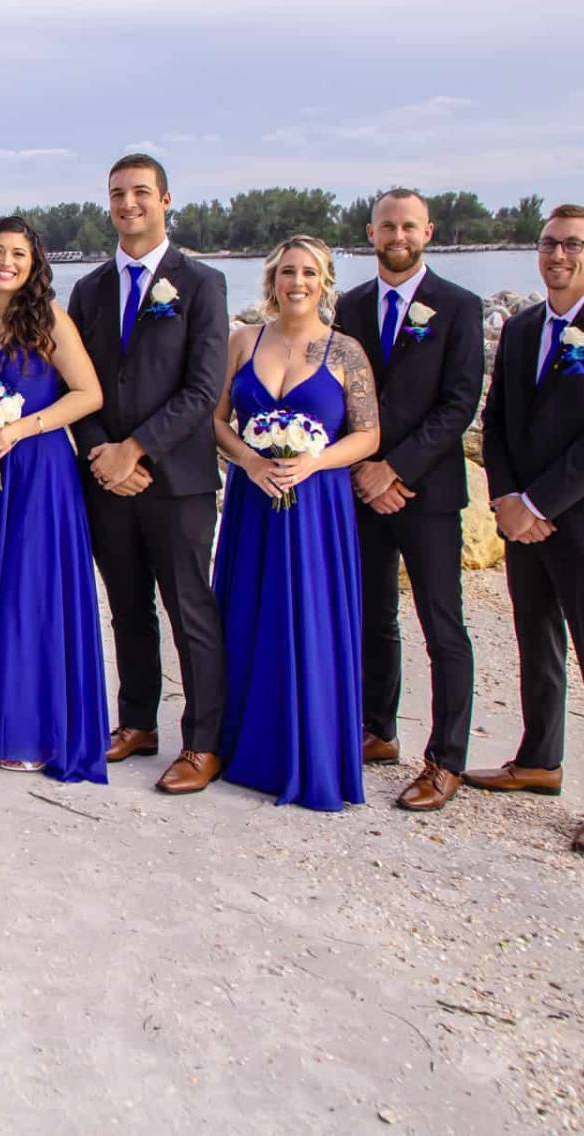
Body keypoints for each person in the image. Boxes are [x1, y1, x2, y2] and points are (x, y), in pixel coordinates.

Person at [469, 205, 584, 855]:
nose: (558, 255)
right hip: (523, 523)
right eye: (550, 243)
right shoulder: (522, 330)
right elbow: (497, 421)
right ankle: (539, 760)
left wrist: (538, 503)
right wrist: (504, 499)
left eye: (574, 245)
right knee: (537, 643)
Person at [67, 154, 229, 795]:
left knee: (190, 611)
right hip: (106, 479)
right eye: (117, 193)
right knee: (127, 608)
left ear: (165, 200)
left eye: (140, 192)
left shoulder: (202, 284)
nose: (128, 203)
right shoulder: (89, 290)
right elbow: (75, 384)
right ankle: (137, 721)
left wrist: (135, 450)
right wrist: (100, 454)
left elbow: (203, 388)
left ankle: (204, 742)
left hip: (177, 480)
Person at [212, 236, 379, 811]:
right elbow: (217, 420)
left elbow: (368, 434)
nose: (297, 282)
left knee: (309, 617)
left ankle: (309, 751)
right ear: (272, 280)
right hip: (253, 498)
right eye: (288, 272)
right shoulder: (243, 341)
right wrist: (250, 460)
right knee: (247, 612)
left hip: (317, 506)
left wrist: (314, 461)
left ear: (324, 281)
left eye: (309, 272)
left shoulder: (345, 352)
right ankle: (242, 748)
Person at [334, 190, 485, 811]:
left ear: (428, 232)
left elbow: (459, 402)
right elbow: (337, 394)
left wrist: (394, 470)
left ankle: (446, 760)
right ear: (371, 233)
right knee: (373, 615)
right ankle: (378, 728)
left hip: (427, 492)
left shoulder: (459, 306)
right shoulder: (349, 306)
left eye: (409, 226)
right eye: (387, 226)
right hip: (362, 488)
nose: (398, 236)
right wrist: (361, 469)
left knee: (442, 626)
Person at [0, 216, 109, 783]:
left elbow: (89, 394)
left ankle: (30, 728)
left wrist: (20, 428)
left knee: (28, 593)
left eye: (18, 253)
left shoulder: (50, 321)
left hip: (41, 474)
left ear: (34, 264)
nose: (6, 262)